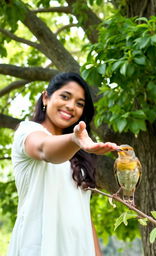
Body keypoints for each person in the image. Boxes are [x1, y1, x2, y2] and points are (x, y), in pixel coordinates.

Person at [7, 72, 119, 256]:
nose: (71, 106)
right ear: (46, 97)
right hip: (39, 247)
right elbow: (45, 150)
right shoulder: (28, 131)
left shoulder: (79, 155)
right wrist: (75, 139)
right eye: (65, 97)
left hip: (78, 249)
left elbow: (82, 212)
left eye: (79, 103)